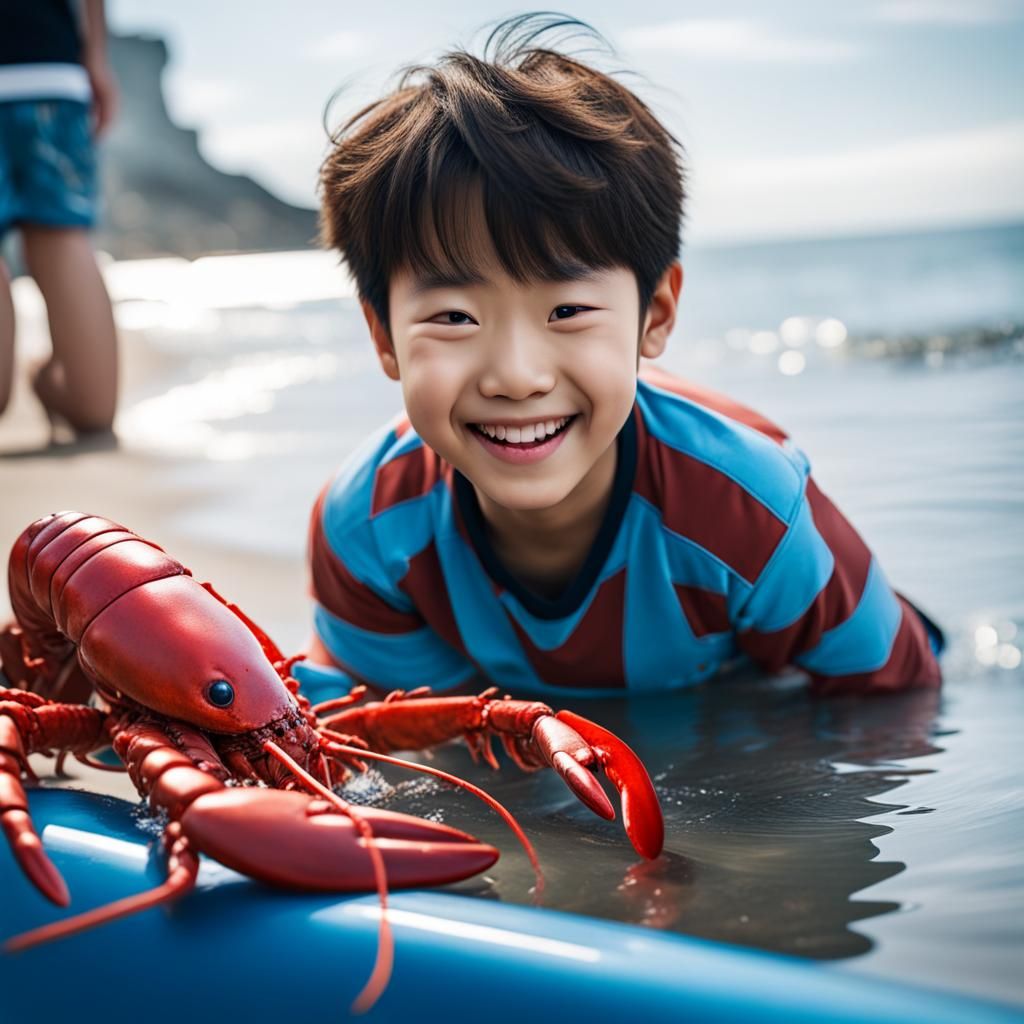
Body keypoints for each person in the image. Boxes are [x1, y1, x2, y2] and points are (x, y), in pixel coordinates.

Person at [296, 14, 942, 703]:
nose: (517, 376)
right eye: (455, 318)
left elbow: (898, 698)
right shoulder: (369, 529)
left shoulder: (749, 510)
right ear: (384, 336)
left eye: (567, 311)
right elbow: (415, 733)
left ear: (654, 315)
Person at [0, 0, 119, 442]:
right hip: (50, 72)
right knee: (91, 413)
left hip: (48, 69)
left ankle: (45, 379)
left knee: (93, 411)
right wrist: (97, 58)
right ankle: (43, 380)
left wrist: (95, 58)